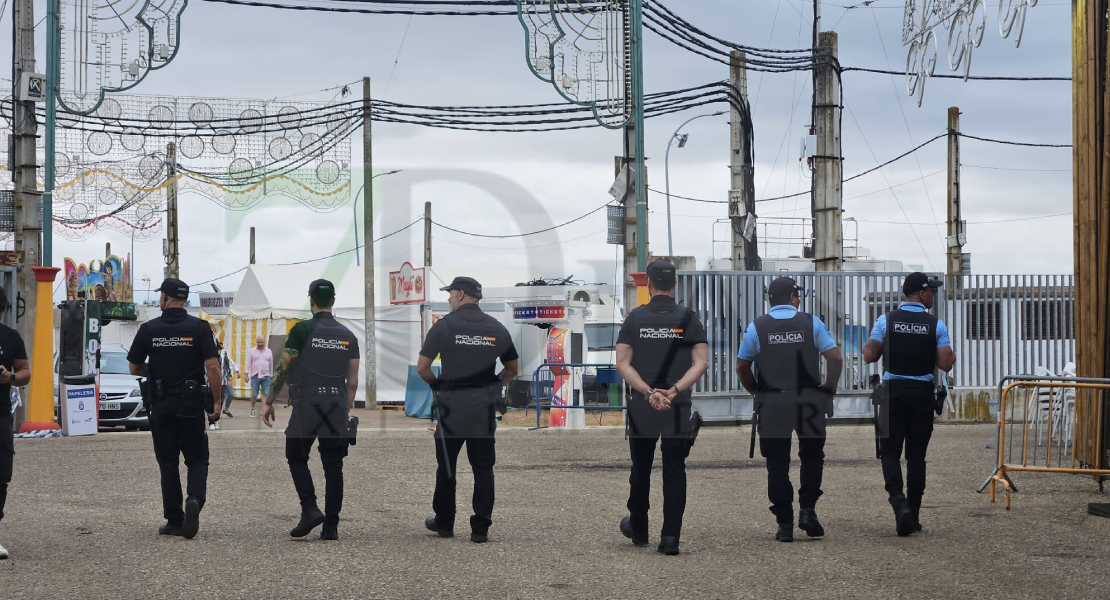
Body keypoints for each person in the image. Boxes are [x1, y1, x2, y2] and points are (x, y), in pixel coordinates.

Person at [736, 277, 842, 543]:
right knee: (812, 455)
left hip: (772, 403)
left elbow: (742, 366)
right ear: (793, 297)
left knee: (777, 464)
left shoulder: (756, 327)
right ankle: (808, 511)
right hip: (809, 401)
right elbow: (835, 358)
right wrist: (828, 388)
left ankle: (784, 523)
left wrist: (756, 391)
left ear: (770, 299)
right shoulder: (811, 322)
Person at [614, 260, 709, 556]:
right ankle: (671, 538)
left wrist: (649, 391)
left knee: (640, 468)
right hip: (677, 405)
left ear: (648, 283)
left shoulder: (635, 318)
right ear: (675, 284)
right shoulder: (689, 319)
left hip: (644, 405)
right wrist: (674, 390)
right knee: (674, 470)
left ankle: (639, 528)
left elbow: (622, 363)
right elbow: (701, 362)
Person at [416, 276, 518, 544]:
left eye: (450, 294)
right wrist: (495, 386)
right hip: (482, 407)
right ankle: (480, 528)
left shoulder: (443, 327)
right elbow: (512, 369)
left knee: (446, 466)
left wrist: (438, 386)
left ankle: (445, 522)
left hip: (451, 406)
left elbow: (422, 368)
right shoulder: (497, 328)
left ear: (460, 295)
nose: (449, 299)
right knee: (483, 467)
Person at [263, 280, 359, 541]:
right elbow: (352, 381)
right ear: (333, 302)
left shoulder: (301, 330)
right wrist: (344, 410)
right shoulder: (348, 336)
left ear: (311, 301)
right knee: (333, 466)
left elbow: (284, 366)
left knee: (295, 455)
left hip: (307, 403)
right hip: (336, 404)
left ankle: (310, 509)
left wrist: (269, 399)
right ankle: (331, 527)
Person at [128, 278, 222, 540]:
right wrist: (216, 401)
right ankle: (194, 499)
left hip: (160, 404)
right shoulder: (200, 328)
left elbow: (134, 368)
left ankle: (174, 519)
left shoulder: (149, 329)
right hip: (191, 404)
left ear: (164, 298)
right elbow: (213, 368)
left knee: (168, 462)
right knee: (197, 458)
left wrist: (156, 371)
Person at [863, 272, 955, 536]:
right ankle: (913, 515)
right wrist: (953, 357)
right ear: (922, 293)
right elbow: (944, 363)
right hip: (921, 395)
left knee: (890, 453)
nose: (934, 296)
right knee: (916, 457)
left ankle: (899, 504)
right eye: (932, 292)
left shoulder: (886, 320)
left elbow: (869, 355)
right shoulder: (936, 325)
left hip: (892, 394)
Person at [0, 287, 30, 560]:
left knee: (0, 476)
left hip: (0, 417)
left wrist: (9, 376)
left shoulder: (10, 338)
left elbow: (25, 372)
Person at [245, 334, 273, 417]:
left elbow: (270, 363)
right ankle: (253, 409)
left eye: (262, 342)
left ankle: (264, 411)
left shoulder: (269, 351)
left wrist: (271, 375)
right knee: (254, 394)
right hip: (255, 376)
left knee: (265, 394)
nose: (260, 343)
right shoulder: (252, 351)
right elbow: (248, 363)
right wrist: (246, 374)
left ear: (264, 342)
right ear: (256, 342)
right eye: (259, 342)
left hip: (266, 376)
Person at [217, 341, 239, 419]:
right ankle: (216, 412)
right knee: (218, 396)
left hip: (225, 378)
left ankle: (225, 409)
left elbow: (231, 364)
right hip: (216, 378)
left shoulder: (224, 354)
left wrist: (236, 372)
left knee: (230, 394)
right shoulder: (212, 354)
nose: (221, 347)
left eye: (222, 346)